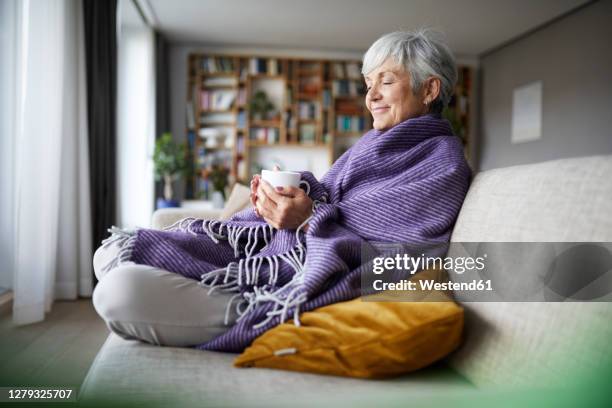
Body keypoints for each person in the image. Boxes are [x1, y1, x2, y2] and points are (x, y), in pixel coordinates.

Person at [93, 29, 471, 351]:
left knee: (119, 292)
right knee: (110, 252)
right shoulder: (372, 146)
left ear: (430, 89)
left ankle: (250, 317)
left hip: (302, 289)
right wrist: (286, 200)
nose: (370, 96)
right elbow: (332, 201)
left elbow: (392, 263)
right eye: (368, 84)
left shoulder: (443, 166)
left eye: (386, 81)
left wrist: (308, 220)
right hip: (278, 262)